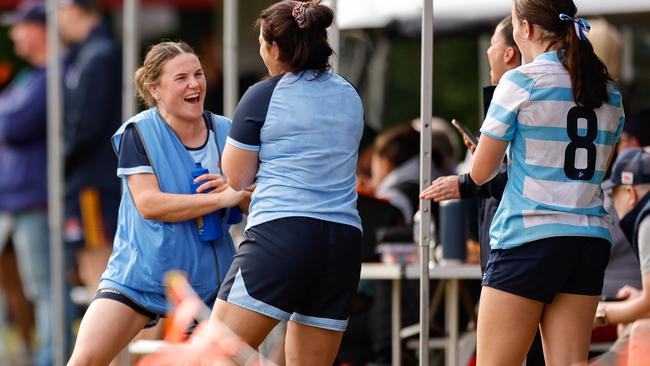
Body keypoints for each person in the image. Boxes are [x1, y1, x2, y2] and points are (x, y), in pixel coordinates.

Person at [67, 41, 248, 365]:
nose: (194, 84)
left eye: (198, 74)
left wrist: (240, 193)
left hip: (211, 286)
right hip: (139, 277)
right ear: (155, 89)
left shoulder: (228, 132)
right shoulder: (139, 132)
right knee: (84, 359)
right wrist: (221, 198)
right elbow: (149, 203)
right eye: (181, 78)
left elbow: (255, 199)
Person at [205, 1, 364, 365]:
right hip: (341, 241)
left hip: (283, 233)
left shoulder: (263, 94)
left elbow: (237, 176)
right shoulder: (350, 94)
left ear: (275, 49)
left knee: (216, 355)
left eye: (262, 43)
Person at [470, 0, 625, 364]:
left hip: (528, 237)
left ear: (525, 30)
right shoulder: (608, 90)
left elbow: (480, 173)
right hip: (588, 239)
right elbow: (602, 163)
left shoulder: (520, 81)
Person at [57, 0, 122, 296]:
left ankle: (119, 342)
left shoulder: (99, 55)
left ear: (73, 9)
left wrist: (61, 160)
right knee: (93, 268)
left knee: (101, 269)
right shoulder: (87, 53)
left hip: (93, 181)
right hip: (88, 178)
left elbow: (87, 124)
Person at [0, 2, 51, 365]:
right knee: (23, 286)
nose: (13, 33)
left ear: (39, 30)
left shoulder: (50, 76)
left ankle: (48, 357)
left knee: (43, 289)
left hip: (36, 201)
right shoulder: (30, 77)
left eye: (20, 26)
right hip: (16, 200)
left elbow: (12, 126)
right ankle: (36, 351)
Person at [591, 148, 650, 365]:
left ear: (630, 194)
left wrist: (602, 315)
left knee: (640, 331)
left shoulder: (647, 224)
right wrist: (639, 296)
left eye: (614, 199)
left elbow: (649, 304)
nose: (613, 207)